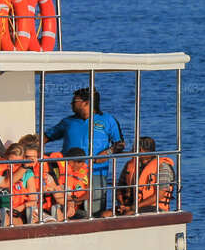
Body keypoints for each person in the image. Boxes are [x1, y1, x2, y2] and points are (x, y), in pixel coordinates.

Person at [44, 87, 123, 216]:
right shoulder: (67, 122)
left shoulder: (108, 120)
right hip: (68, 173)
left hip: (96, 171)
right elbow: (46, 137)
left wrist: (107, 153)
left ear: (86, 103)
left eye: (74, 101)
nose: (71, 104)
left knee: (95, 208)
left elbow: (120, 144)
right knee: (65, 206)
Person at [115, 136, 175, 214]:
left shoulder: (162, 167)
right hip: (130, 205)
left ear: (140, 150)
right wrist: (122, 204)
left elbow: (160, 195)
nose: (132, 152)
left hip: (154, 207)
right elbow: (120, 188)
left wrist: (133, 207)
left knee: (129, 214)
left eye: (133, 149)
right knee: (106, 214)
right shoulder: (130, 165)